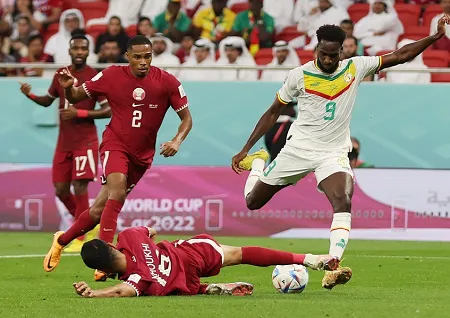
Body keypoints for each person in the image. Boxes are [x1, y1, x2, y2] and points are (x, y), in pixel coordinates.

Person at [231, 18, 450, 290]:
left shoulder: (355, 67)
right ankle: (260, 164)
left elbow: (401, 56)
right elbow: (273, 111)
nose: (327, 59)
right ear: (317, 50)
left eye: (332, 55)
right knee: (253, 202)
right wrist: (246, 149)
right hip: (297, 149)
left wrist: (433, 37)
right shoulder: (299, 75)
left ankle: (332, 265)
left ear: (341, 52)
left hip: (332, 152)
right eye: (322, 53)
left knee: (343, 200)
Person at [43, 35, 193, 282]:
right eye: (138, 57)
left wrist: (176, 140)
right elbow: (79, 95)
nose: (143, 62)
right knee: (117, 193)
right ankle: (105, 259)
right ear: (128, 57)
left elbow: (187, 119)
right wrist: (69, 87)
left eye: (147, 56)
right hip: (115, 144)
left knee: (98, 210)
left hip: (142, 156)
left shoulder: (166, 82)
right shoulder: (111, 75)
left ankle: (61, 240)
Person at [20, 34, 111, 252]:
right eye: (76, 48)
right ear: (69, 51)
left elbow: (108, 110)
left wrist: (79, 112)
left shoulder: (94, 76)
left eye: (83, 48)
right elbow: (48, 100)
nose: (79, 52)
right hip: (64, 143)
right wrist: (30, 95)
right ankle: (84, 224)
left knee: (79, 185)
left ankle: (80, 237)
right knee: (61, 189)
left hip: (85, 141)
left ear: (89, 52)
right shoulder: (61, 74)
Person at [73, 226, 340, 297]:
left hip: (182, 284)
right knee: (240, 254)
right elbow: (150, 233)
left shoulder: (136, 279)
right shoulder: (130, 235)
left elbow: (124, 291)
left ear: (102, 268)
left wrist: (95, 293)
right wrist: (147, 250)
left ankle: (208, 288)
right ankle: (310, 259)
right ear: (110, 245)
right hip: (189, 253)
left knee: (164, 290)